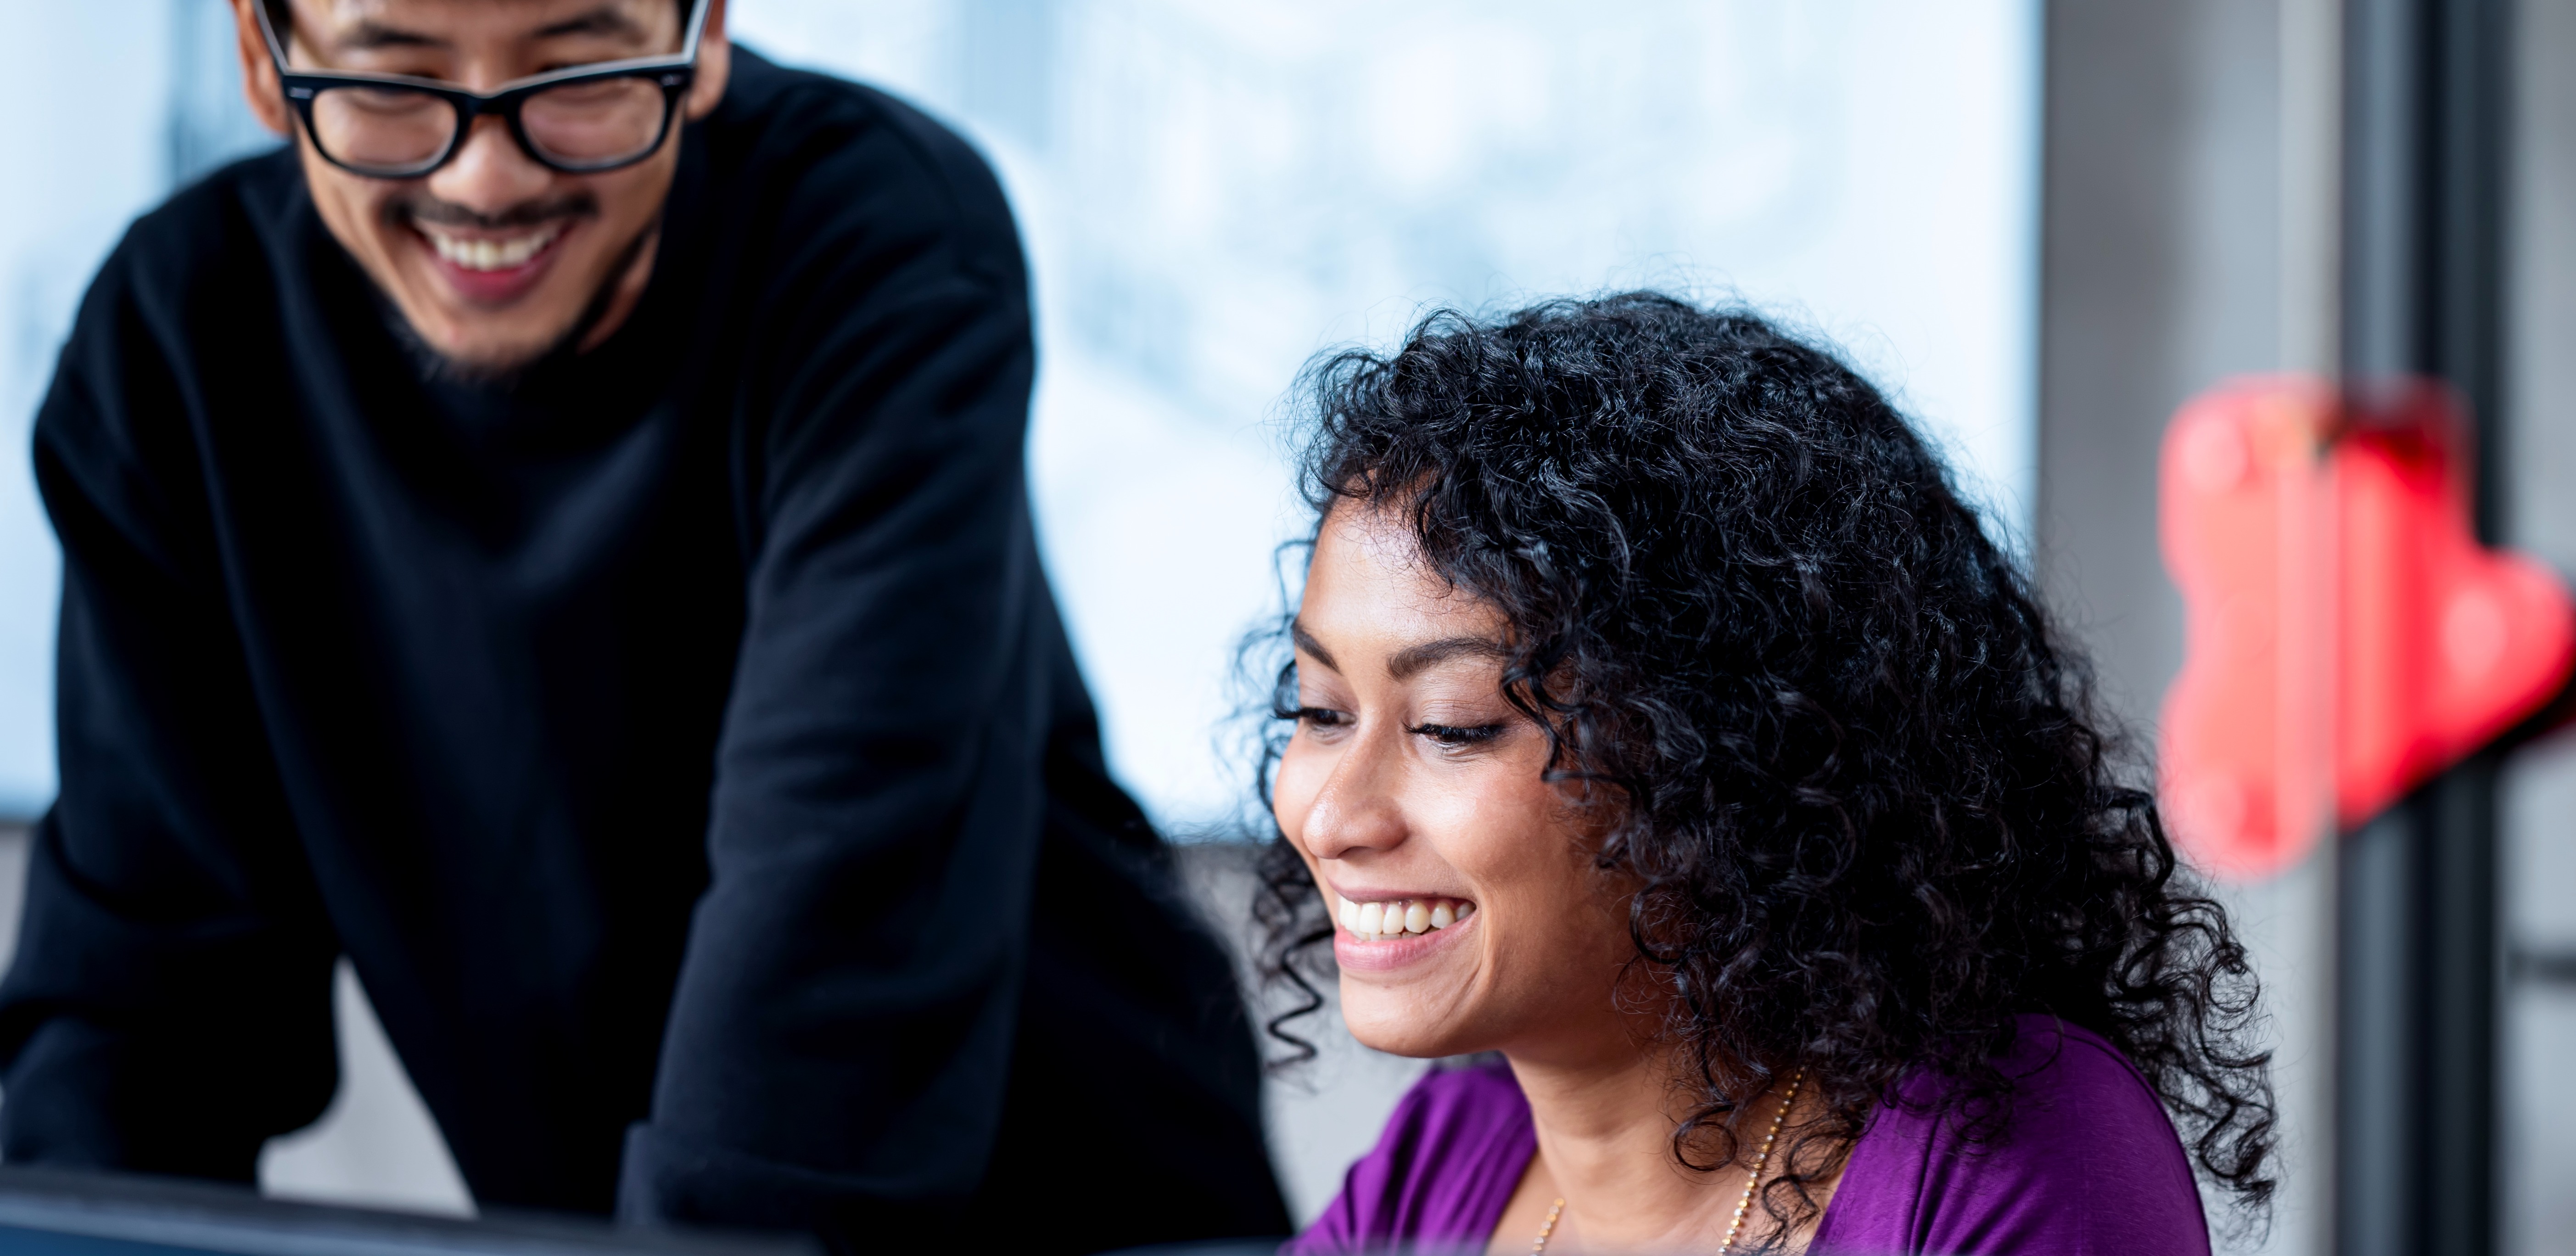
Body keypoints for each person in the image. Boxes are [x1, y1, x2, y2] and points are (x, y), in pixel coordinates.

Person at [0, 0, 1289, 1251]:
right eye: (393, 84)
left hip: (1092, 1213)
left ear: (703, 34)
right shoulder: (174, 348)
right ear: (262, 54)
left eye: (576, 79)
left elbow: (831, 938)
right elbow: (140, 1027)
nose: (486, 181)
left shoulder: (877, 240)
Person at [1256, 295, 2276, 1254]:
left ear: (1725, 754)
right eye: (1321, 711)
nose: (1335, 813)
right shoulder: (1439, 1167)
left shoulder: (2004, 1155)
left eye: (1453, 725)